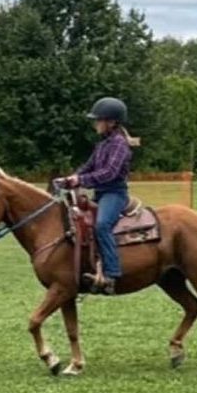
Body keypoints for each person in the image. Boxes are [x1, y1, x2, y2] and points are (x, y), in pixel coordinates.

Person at [58, 97, 138, 295]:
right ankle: (91, 266)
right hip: (100, 194)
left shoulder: (119, 144)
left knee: (102, 225)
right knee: (78, 223)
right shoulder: (102, 145)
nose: (95, 124)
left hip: (115, 193)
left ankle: (112, 274)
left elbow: (109, 173)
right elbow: (89, 166)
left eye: (98, 120)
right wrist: (71, 178)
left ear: (111, 122)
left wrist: (81, 180)